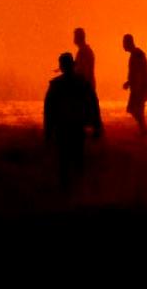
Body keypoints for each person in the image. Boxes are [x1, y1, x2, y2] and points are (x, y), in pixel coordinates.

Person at [44, 52, 103, 191]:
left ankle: (66, 192)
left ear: (62, 67)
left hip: (63, 129)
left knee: (64, 162)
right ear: (73, 66)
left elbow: (49, 111)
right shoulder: (82, 84)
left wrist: (48, 133)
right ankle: (80, 192)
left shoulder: (56, 85)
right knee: (78, 160)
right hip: (77, 128)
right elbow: (93, 105)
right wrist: (96, 126)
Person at [122, 34, 147, 136]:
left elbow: (139, 73)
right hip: (139, 86)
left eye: (124, 42)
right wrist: (129, 83)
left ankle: (143, 130)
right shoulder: (135, 54)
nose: (123, 45)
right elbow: (135, 72)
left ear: (129, 43)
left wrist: (137, 87)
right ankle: (143, 129)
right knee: (134, 109)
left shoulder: (137, 54)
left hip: (140, 87)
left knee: (135, 109)